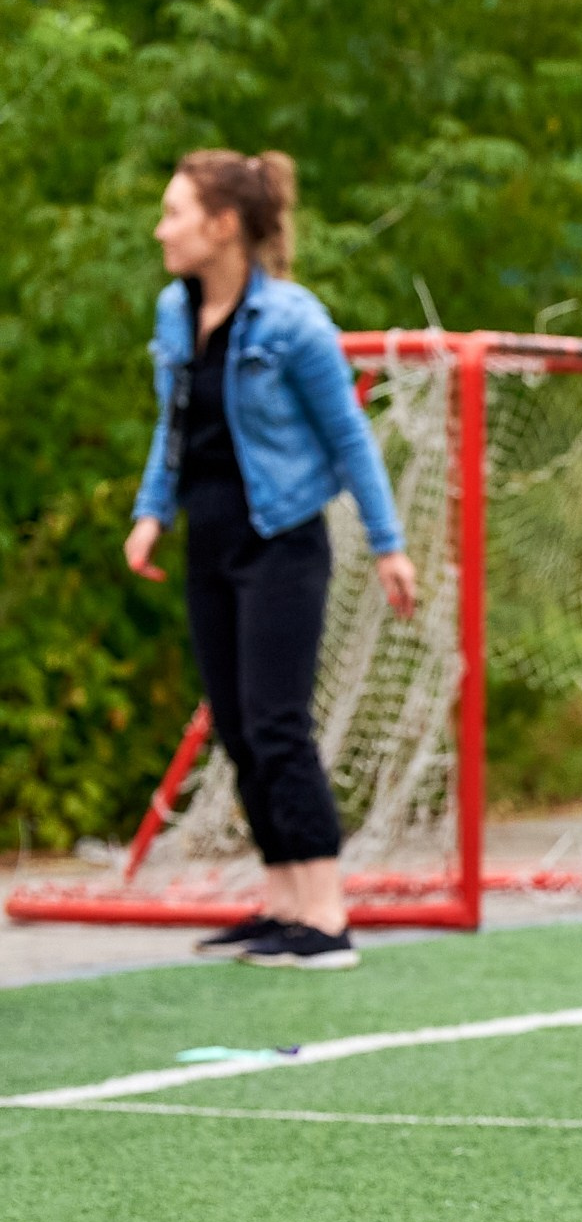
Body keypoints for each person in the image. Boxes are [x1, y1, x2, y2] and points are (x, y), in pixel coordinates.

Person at [124, 151, 416, 970]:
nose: (162, 229)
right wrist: (152, 512)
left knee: (279, 721)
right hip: (210, 536)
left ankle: (325, 913)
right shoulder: (176, 312)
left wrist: (389, 545)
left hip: (281, 537)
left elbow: (349, 437)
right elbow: (171, 426)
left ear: (222, 226)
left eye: (174, 212)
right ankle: (282, 903)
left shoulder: (292, 320)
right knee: (237, 723)